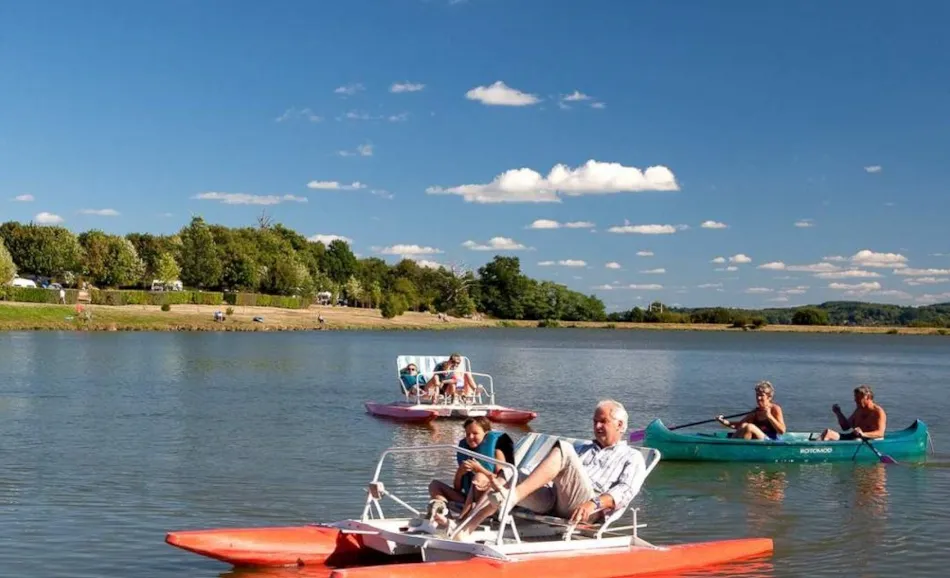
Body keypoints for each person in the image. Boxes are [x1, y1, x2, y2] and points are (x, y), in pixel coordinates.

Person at [452, 399, 646, 542]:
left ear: (620, 425)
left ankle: (512, 496)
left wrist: (593, 504)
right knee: (510, 474)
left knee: (564, 449)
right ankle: (466, 528)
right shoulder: (584, 448)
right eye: (595, 421)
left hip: (587, 507)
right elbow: (549, 475)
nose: (596, 426)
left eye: (603, 421)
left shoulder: (631, 456)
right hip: (554, 499)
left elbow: (625, 491)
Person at [428, 417, 514, 520]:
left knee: (479, 477)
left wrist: (480, 469)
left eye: (475, 433)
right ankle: (446, 518)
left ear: (486, 433)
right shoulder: (466, 451)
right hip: (468, 499)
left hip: (489, 501)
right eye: (467, 434)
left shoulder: (497, 453)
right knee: (434, 485)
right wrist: (460, 473)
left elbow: (504, 480)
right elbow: (457, 488)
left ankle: (463, 519)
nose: (470, 437)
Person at [716, 381, 787, 440]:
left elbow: (782, 431)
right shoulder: (755, 412)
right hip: (759, 441)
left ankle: (733, 446)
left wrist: (769, 416)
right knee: (744, 425)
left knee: (749, 427)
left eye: (761, 395)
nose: (758, 398)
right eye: (757, 395)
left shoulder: (775, 409)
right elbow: (739, 425)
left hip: (770, 441)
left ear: (769, 397)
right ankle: (732, 445)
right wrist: (723, 421)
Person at [819, 385, 886, 441]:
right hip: (853, 437)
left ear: (867, 397)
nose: (855, 400)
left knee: (857, 440)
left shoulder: (878, 412)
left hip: (868, 440)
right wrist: (838, 413)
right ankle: (815, 449)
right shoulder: (858, 410)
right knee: (828, 432)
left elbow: (880, 433)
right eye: (855, 397)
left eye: (858, 398)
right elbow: (845, 427)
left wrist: (863, 434)